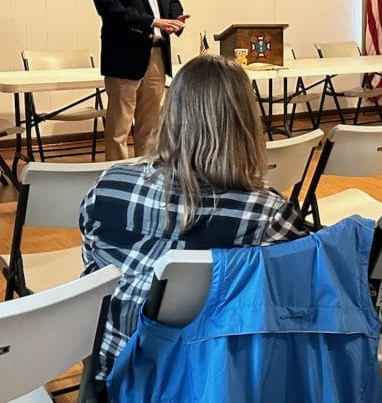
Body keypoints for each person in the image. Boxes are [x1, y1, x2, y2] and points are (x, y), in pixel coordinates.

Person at [80, 55, 306, 379]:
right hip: (212, 379)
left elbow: (92, 267)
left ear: (170, 114)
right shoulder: (268, 215)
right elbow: (288, 306)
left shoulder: (109, 185)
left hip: (112, 375)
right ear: (245, 121)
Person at [90, 0, 189, 160]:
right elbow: (108, 7)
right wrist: (153, 21)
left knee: (151, 126)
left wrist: (175, 17)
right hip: (124, 53)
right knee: (119, 128)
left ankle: (146, 178)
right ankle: (117, 181)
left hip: (156, 53)